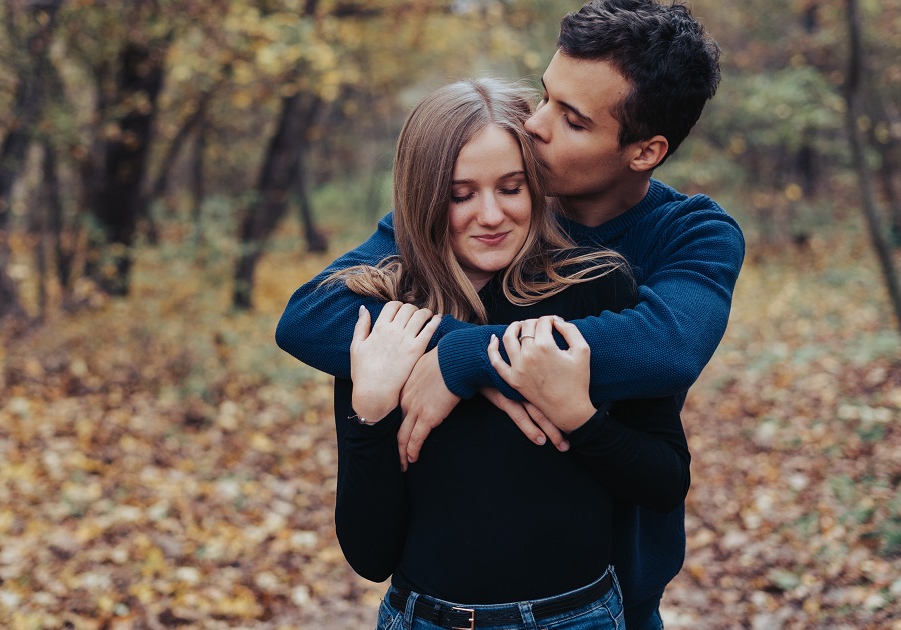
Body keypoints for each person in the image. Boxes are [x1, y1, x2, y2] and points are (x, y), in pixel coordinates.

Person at [277, 2, 745, 628]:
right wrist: (453, 349)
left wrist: (468, 359)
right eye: (546, 96)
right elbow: (312, 314)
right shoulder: (473, 220)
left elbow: (665, 345)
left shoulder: (687, 234)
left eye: (572, 119)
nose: (537, 126)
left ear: (644, 150)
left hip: (610, 601)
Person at [329, 77, 690, 630]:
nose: (492, 215)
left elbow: (664, 481)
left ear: (537, 188)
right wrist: (370, 414)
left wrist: (580, 418)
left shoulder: (599, 290)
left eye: (511, 187)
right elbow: (369, 554)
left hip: (579, 617)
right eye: (461, 194)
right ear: (422, 196)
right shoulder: (390, 323)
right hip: (429, 619)